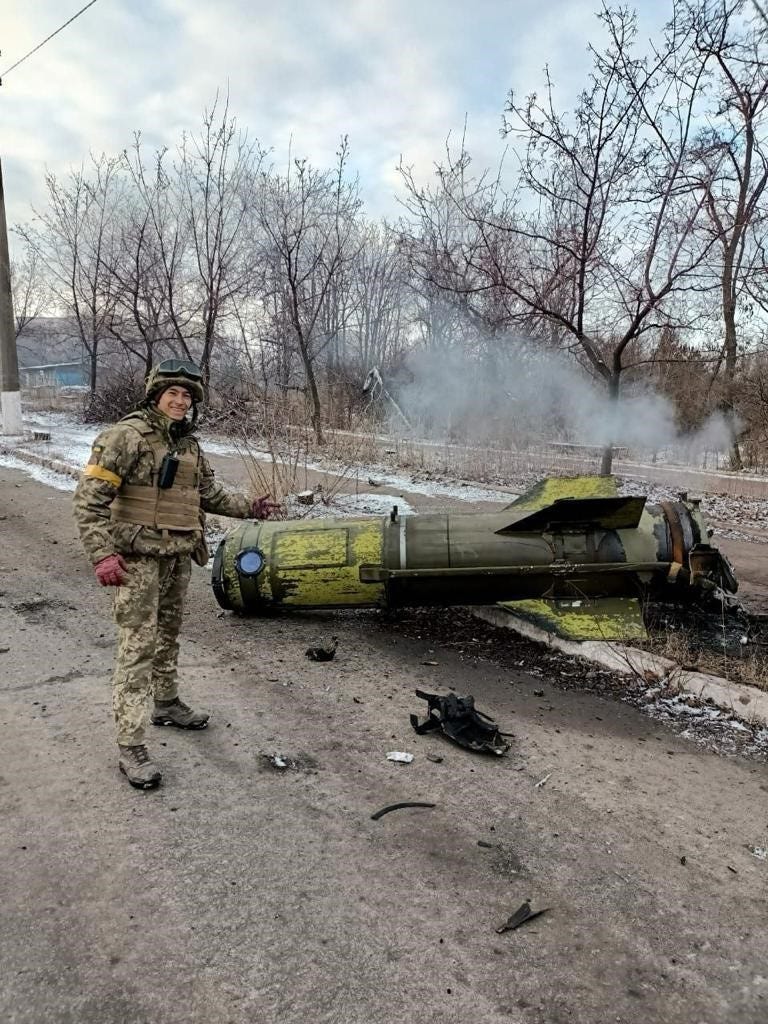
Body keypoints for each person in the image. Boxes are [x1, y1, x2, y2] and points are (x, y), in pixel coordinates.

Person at [73, 359, 278, 790]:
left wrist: (250, 507)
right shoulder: (124, 437)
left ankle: (166, 702)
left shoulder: (188, 446)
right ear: (155, 394)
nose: (181, 401)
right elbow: (89, 501)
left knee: (168, 634)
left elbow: (207, 493)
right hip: (136, 559)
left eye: (187, 396)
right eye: (173, 393)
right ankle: (131, 745)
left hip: (177, 555)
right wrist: (102, 555)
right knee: (138, 646)